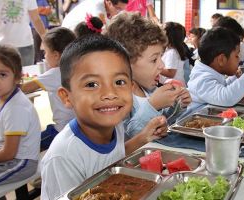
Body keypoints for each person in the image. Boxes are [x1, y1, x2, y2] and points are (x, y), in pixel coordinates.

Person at [41, 35, 168, 199]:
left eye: (119, 82)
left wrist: (143, 138)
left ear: (131, 86)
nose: (109, 94)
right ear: (67, 97)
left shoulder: (113, 123)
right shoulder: (63, 157)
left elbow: (111, 158)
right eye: (92, 84)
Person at [106, 12, 191, 138]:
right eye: (154, 60)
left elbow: (162, 120)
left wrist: (176, 104)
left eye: (161, 57)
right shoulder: (116, 98)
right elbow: (127, 139)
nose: (162, 65)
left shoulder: (148, 89)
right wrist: (152, 105)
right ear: (126, 63)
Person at [0, 45, 41, 188]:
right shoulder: (2, 96)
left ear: (17, 77)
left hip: (21, 164)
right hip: (12, 159)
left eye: (2, 74)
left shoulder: (16, 107)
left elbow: (8, 153)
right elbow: (2, 141)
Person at [186, 27, 244, 114]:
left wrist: (236, 78)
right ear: (221, 60)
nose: (239, 60)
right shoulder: (201, 79)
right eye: (236, 56)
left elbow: (222, 87)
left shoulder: (208, 73)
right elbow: (226, 97)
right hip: (196, 123)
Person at [21, 27, 76, 151]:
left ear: (56, 55)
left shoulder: (55, 73)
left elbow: (25, 88)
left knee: (25, 146)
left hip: (61, 131)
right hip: (78, 128)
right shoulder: (76, 69)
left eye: (45, 52)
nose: (44, 56)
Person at [0, 0, 47, 66]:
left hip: (25, 45)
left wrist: (47, 42)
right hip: (0, 46)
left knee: (25, 75)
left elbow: (36, 19)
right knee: (2, 74)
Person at [61, 0, 128, 31]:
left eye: (122, 9)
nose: (120, 12)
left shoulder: (106, 7)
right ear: (109, 3)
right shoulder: (97, 10)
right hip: (70, 34)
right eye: (119, 9)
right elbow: (105, 33)